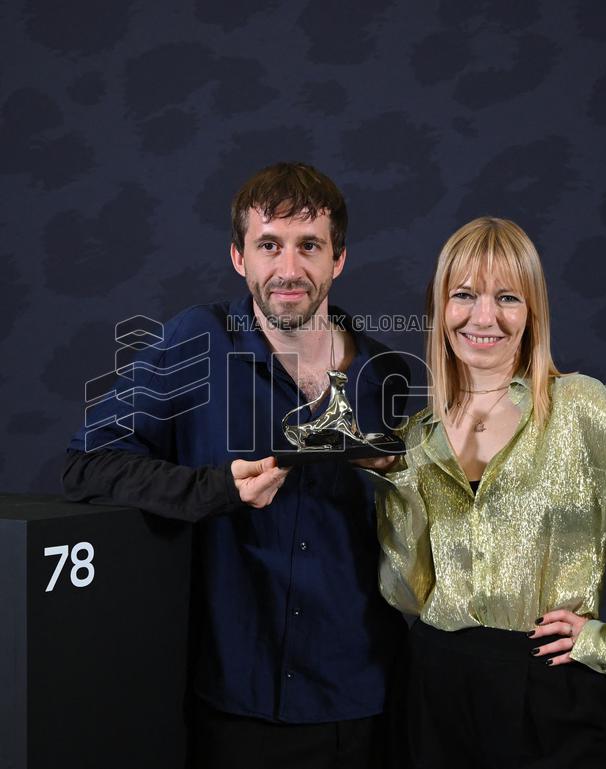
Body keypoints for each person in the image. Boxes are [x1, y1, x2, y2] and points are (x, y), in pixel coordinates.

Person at [62, 162, 409, 769]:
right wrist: (212, 488)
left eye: (310, 246)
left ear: (340, 260)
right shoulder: (198, 343)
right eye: (268, 245)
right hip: (233, 699)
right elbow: (86, 462)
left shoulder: (385, 376)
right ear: (238, 257)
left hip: (362, 699)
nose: (289, 269)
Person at [366, 216, 606, 769]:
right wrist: (396, 482)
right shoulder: (420, 434)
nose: (483, 317)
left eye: (507, 297)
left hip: (550, 686)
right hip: (435, 682)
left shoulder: (578, 407)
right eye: (464, 295)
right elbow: (406, 593)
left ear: (532, 311)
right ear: (441, 309)